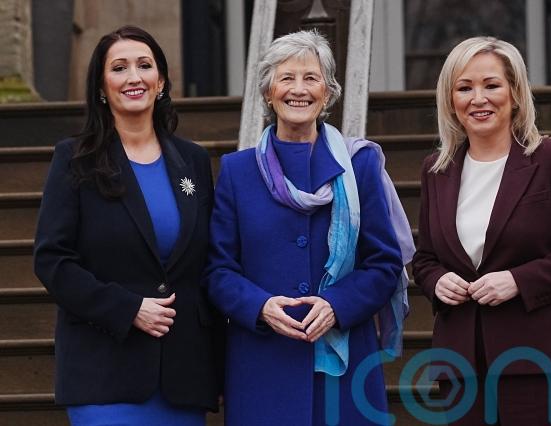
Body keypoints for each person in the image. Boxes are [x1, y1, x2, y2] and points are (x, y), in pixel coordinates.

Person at [204, 29, 413, 425]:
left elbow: (385, 263)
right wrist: (260, 307)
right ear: (268, 92)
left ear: (328, 92)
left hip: (345, 366)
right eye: (286, 78)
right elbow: (218, 270)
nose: (298, 89)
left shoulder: (360, 166)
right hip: (263, 364)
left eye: (311, 78)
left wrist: (337, 304)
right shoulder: (236, 171)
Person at [412, 36, 551, 425]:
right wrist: (436, 281)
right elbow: (425, 258)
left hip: (542, 360)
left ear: (515, 93)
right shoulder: (436, 169)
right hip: (462, 366)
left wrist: (519, 280)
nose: (478, 98)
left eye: (491, 85)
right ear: (450, 100)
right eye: (464, 88)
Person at [33, 26, 224, 426]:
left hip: (183, 376)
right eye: (119, 68)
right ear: (102, 86)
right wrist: (128, 308)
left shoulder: (192, 161)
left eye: (144, 65)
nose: (134, 77)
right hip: (104, 372)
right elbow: (53, 261)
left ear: (161, 81)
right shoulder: (74, 159)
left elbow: (209, 263)